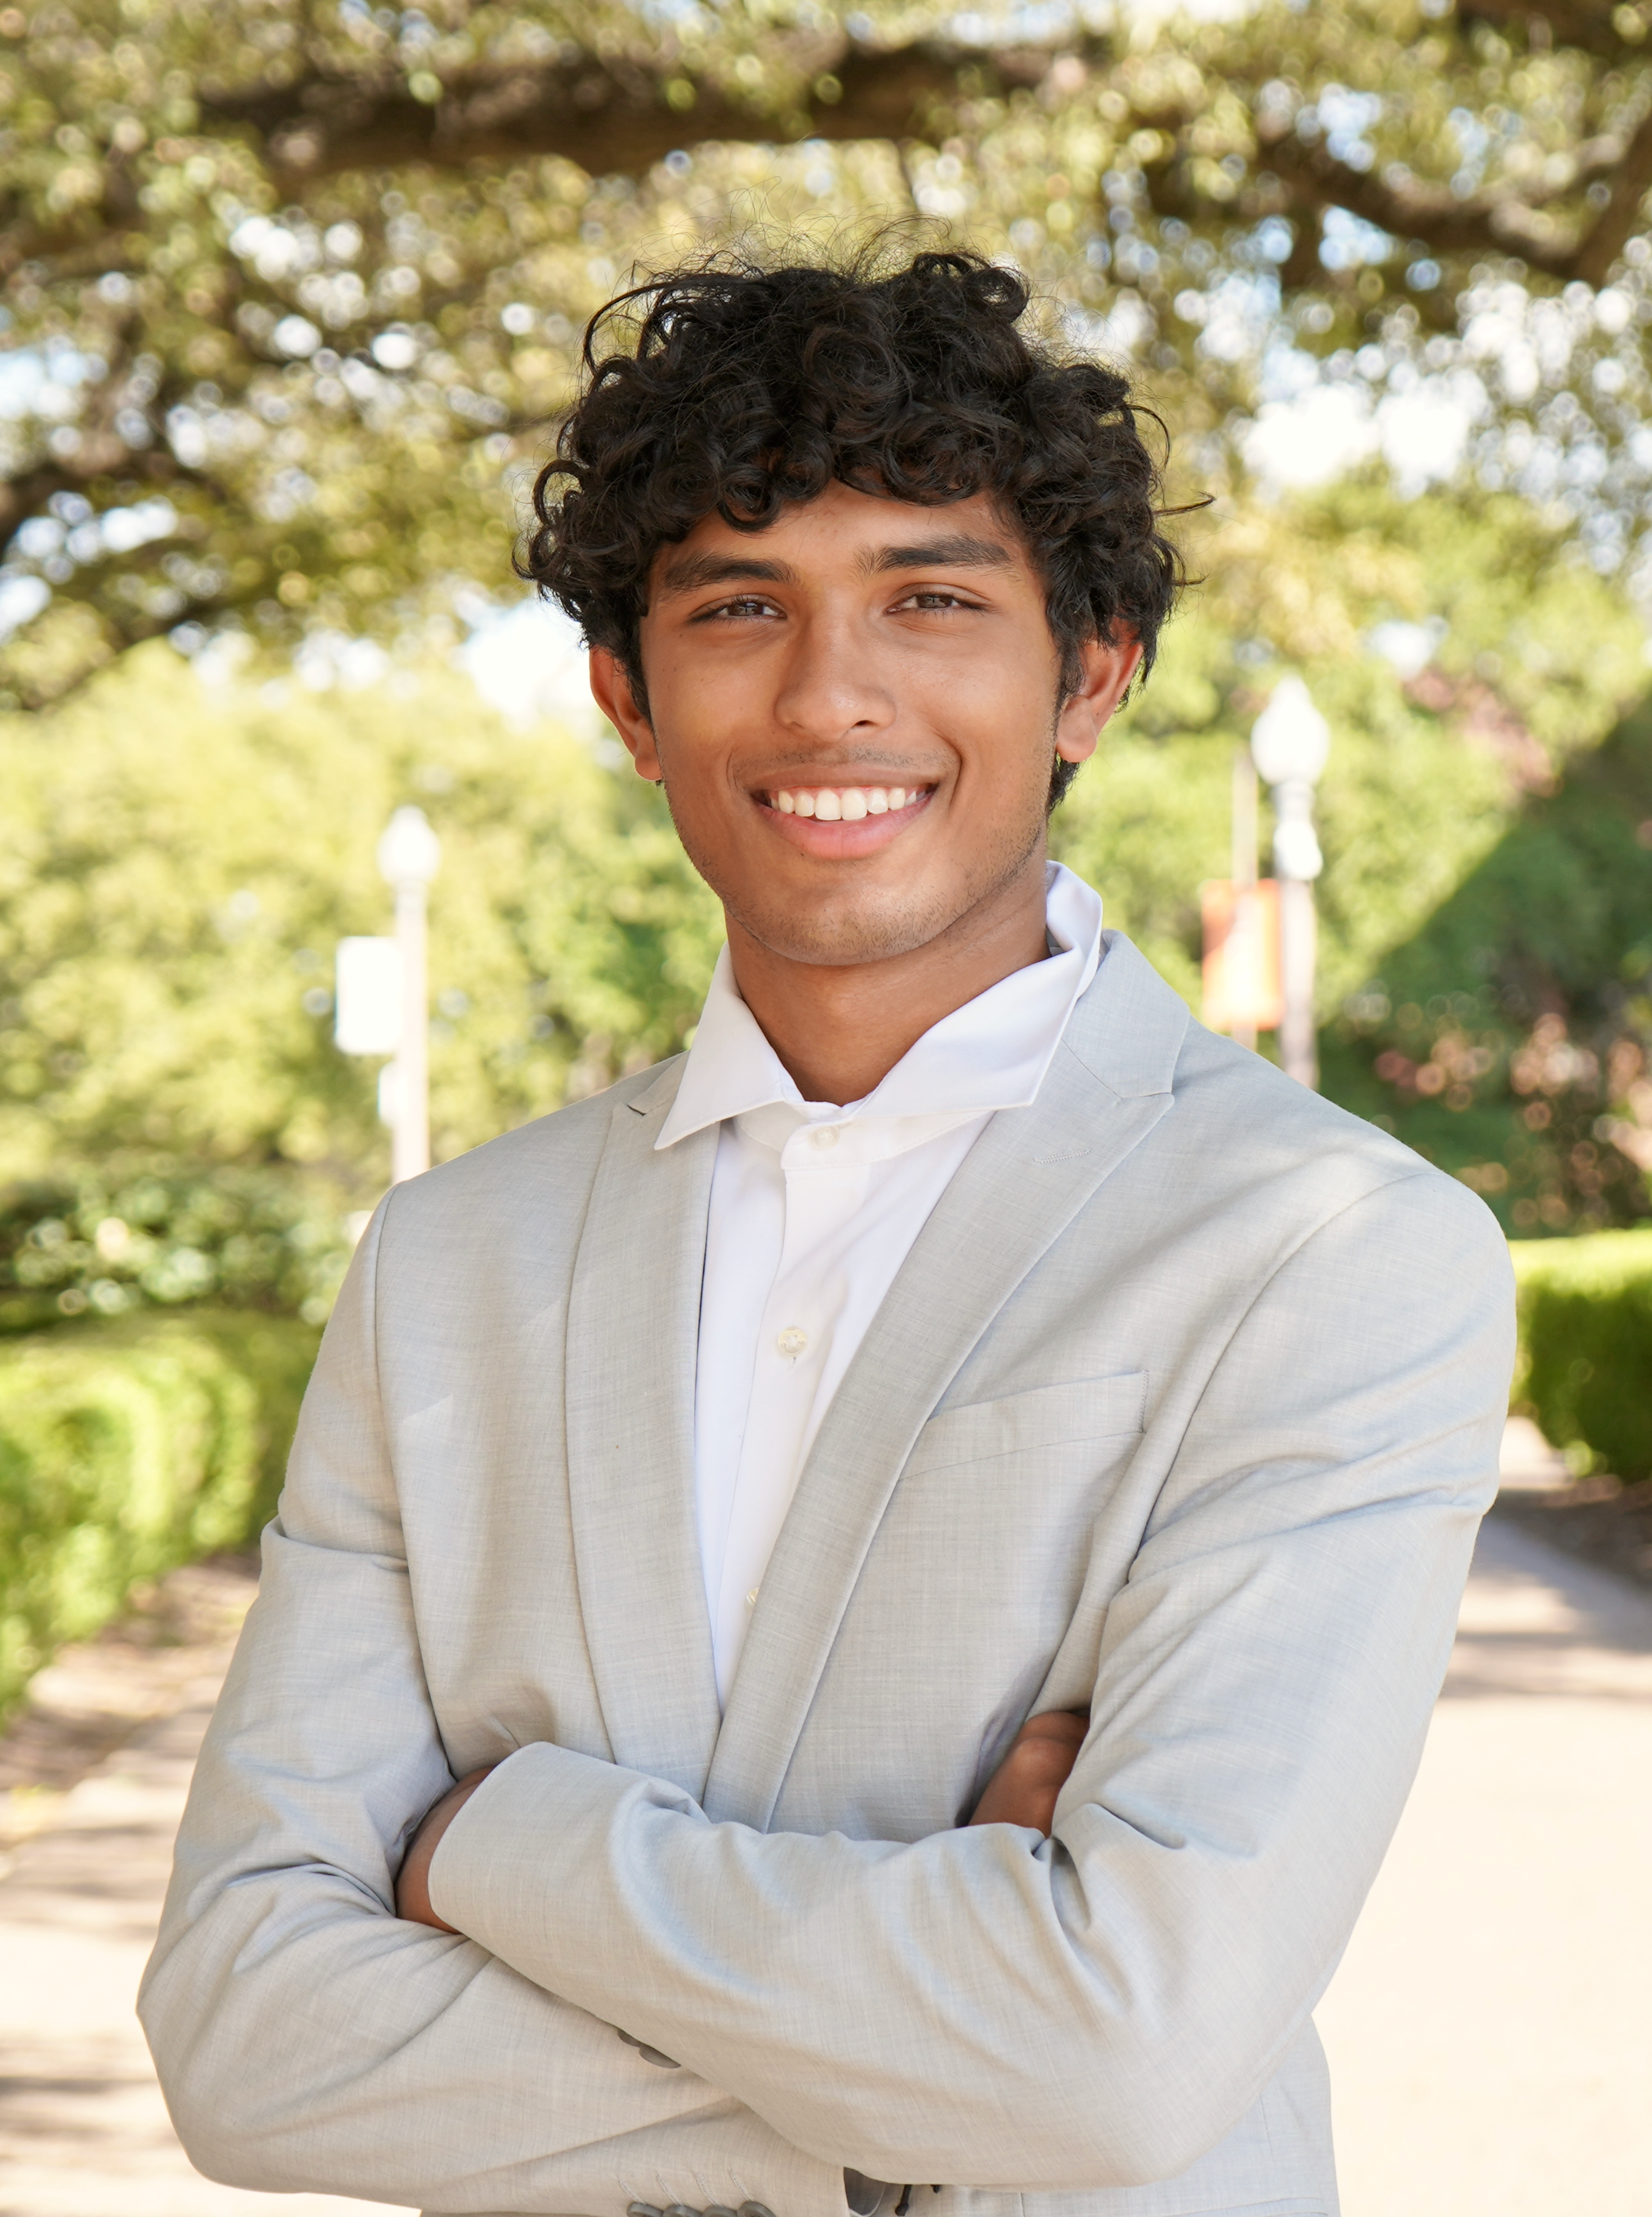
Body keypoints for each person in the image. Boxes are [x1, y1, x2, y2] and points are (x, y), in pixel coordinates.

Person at [141, 250, 1514, 2217]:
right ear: (628, 695)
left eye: (932, 599)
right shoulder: (445, 1271)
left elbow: (1114, 2056)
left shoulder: (1333, 1253)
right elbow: (250, 2042)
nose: (829, 694)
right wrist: (939, 2055)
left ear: (1094, 674)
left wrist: (495, 1847)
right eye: (736, 608)